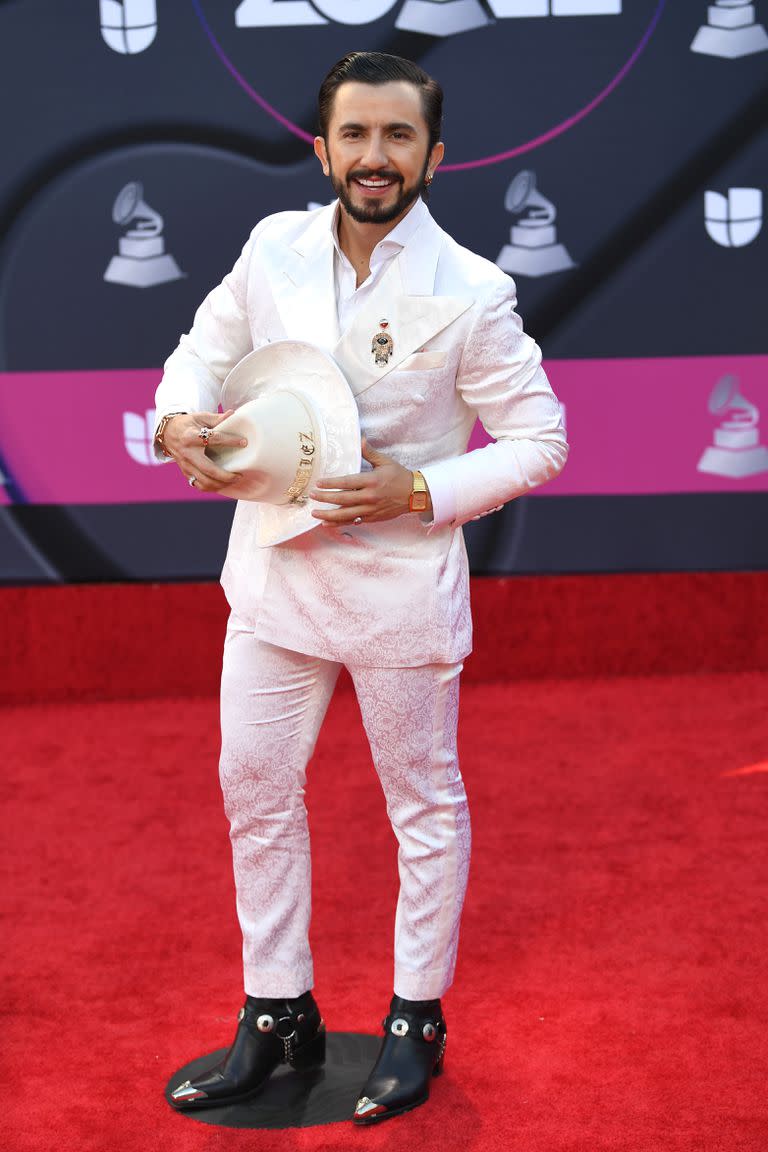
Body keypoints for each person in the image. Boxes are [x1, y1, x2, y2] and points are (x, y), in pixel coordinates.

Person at [157, 51, 567, 1125]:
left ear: (434, 155)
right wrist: (176, 421)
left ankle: (414, 1019)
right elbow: (202, 350)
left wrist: (419, 488)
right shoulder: (272, 248)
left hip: (397, 589)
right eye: (354, 135)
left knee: (421, 809)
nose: (373, 158)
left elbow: (540, 440)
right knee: (254, 790)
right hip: (272, 581)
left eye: (396, 138)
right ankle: (276, 1012)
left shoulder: (473, 289)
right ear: (323, 146)